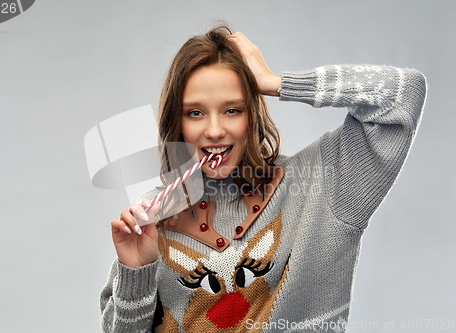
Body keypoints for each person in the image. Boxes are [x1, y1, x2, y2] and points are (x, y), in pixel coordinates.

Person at [100, 25, 426, 332]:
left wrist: (277, 83)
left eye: (232, 110)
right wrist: (137, 270)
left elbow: (403, 94)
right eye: (195, 113)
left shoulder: (321, 184)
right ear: (178, 122)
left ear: (252, 113)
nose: (215, 130)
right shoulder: (151, 217)